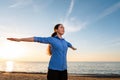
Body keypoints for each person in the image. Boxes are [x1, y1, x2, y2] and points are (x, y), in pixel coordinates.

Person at [7, 24, 77, 80]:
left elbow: (69, 44)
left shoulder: (65, 42)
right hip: (53, 70)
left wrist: (73, 47)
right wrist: (20, 39)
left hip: (64, 70)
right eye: (61, 27)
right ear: (56, 30)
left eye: (63, 27)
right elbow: (37, 39)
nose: (63, 29)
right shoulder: (52, 39)